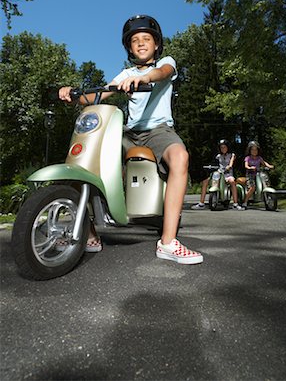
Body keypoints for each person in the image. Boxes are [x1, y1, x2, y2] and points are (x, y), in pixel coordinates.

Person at [59, 14, 203, 264]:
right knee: (81, 161)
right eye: (135, 40)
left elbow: (163, 72)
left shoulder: (166, 63)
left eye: (146, 38)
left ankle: (168, 242)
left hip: (158, 131)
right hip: (129, 132)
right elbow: (100, 95)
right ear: (129, 47)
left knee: (180, 157)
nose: (141, 43)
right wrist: (72, 95)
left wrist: (145, 77)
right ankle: (88, 235)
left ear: (156, 44)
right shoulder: (125, 73)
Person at [242, 140, 274, 209]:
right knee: (252, 188)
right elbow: (246, 166)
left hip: (259, 173)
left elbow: (264, 163)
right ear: (249, 150)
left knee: (266, 182)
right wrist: (250, 167)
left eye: (256, 150)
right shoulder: (247, 158)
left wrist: (269, 166)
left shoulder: (259, 158)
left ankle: (267, 198)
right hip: (250, 174)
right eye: (252, 150)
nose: (254, 151)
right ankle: (245, 202)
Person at [215, 139, 244, 210]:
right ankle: (215, 198)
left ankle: (235, 203)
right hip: (220, 174)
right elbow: (215, 164)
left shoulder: (232, 155)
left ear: (228, 147)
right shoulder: (218, 156)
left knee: (232, 182)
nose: (223, 149)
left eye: (224, 147)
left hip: (228, 174)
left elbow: (231, 162)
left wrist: (229, 166)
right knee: (214, 181)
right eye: (221, 147)